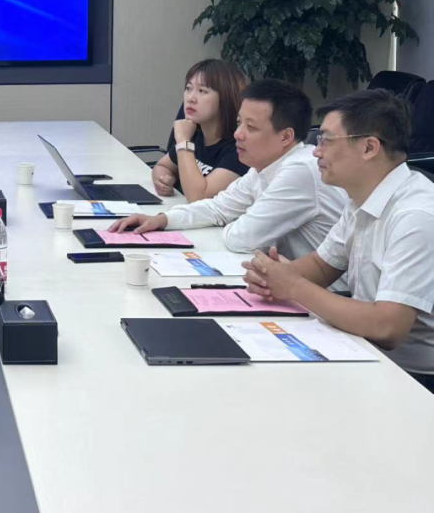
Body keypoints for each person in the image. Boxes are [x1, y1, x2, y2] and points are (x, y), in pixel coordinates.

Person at [242, 90, 434, 390]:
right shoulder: (362, 197)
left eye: (326, 141)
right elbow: (322, 265)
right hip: (364, 350)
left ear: (369, 147)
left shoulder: (416, 216)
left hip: (414, 379)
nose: (316, 152)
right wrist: (273, 276)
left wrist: (292, 286)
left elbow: (388, 327)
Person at [112, 80, 347, 261]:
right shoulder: (263, 168)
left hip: (328, 296)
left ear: (286, 136)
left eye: (250, 127)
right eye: (238, 123)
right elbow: (218, 207)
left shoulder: (300, 170)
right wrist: (163, 219)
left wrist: (235, 221)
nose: (238, 134)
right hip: (291, 283)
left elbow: (242, 238)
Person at [151, 59, 249, 202]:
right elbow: (162, 166)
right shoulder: (196, 135)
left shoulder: (239, 148)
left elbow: (198, 198)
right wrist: (163, 179)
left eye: (202, 91)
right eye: (188, 88)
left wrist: (183, 141)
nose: (190, 98)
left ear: (225, 98)